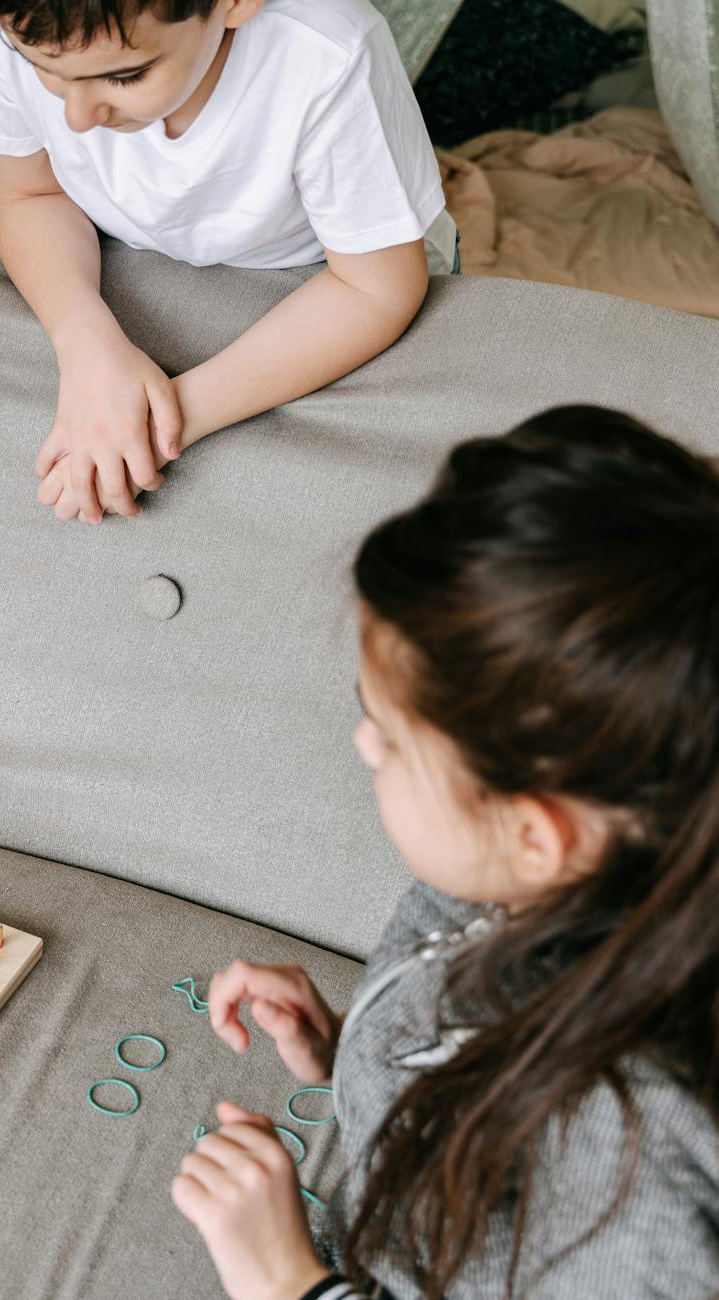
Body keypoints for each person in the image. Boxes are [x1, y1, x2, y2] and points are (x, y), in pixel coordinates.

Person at [174, 407, 719, 1296]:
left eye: (389, 740)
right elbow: (474, 1054)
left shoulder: (627, 1173)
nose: (361, 747)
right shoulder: (533, 877)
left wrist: (286, 1281)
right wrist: (356, 1050)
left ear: (537, 833)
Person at [0, 0, 455, 524]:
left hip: (326, 275)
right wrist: (85, 346)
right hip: (133, 247)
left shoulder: (327, 53)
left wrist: (154, 423)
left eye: (125, 76)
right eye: (42, 69)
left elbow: (374, 288)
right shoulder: (16, 13)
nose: (75, 118)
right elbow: (29, 195)